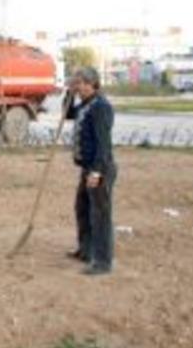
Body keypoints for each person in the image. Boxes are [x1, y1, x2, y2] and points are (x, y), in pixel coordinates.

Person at [64, 67, 117, 275]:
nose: (81, 87)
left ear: (94, 84)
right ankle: (85, 250)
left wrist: (96, 172)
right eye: (78, 84)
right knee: (82, 209)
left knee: (100, 215)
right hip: (87, 168)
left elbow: (103, 144)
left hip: (100, 168)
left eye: (84, 83)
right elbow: (67, 113)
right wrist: (68, 92)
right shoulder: (85, 105)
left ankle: (102, 262)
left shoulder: (101, 107)